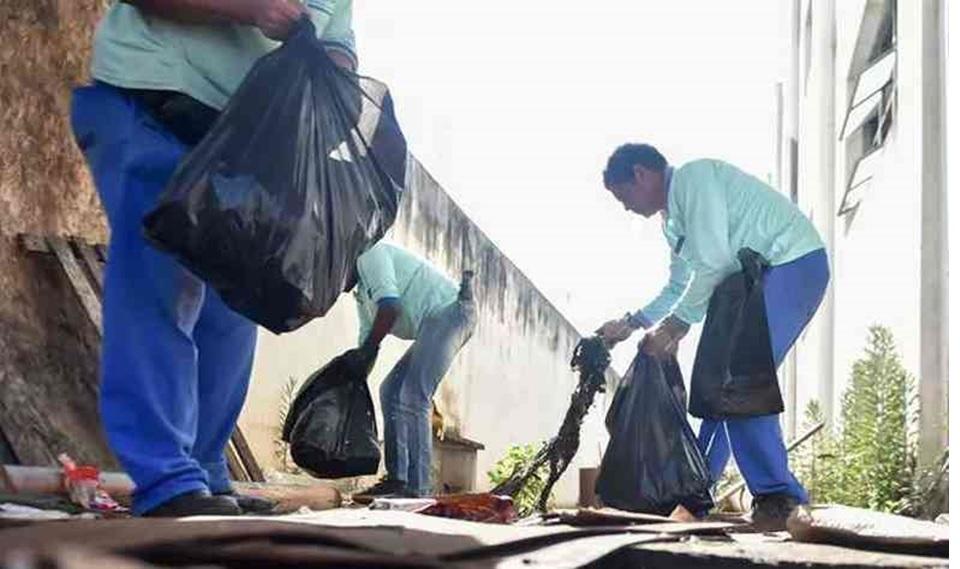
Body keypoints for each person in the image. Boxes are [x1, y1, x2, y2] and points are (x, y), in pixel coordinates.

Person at [70, 0, 357, 517]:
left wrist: (328, 71)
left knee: (234, 303)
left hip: (244, 139)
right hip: (151, 102)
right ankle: (165, 477)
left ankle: (204, 470)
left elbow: (341, 48)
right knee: (160, 282)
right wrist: (247, 9)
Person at [595, 143, 829, 530]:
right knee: (714, 388)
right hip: (748, 282)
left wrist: (674, 327)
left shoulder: (694, 179)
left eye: (624, 197)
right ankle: (695, 492)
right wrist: (632, 323)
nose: (626, 208)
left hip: (792, 265)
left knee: (740, 383)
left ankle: (779, 498)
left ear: (640, 174)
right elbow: (679, 285)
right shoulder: (673, 220)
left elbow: (714, 262)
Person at [348, 242, 477, 500]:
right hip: (434, 323)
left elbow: (390, 307)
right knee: (390, 390)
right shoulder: (362, 294)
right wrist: (351, 382)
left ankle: (416, 488)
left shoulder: (369, 254)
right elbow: (367, 344)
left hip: (451, 312)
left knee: (413, 396)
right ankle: (397, 480)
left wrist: (366, 352)